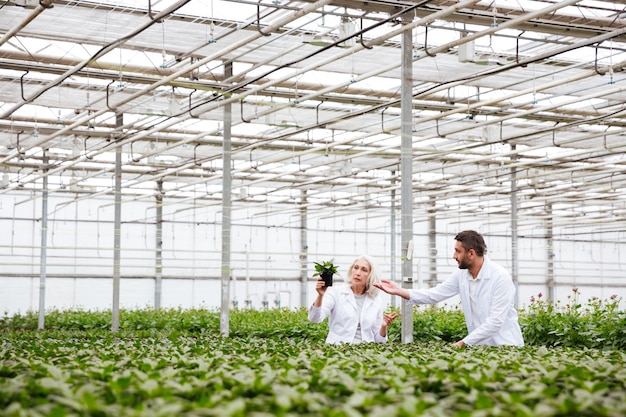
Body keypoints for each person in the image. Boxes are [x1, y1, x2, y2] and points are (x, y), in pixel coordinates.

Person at [374, 230, 524, 347]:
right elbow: (435, 294)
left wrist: (463, 343)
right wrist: (399, 291)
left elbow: (495, 321)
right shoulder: (461, 275)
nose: (454, 256)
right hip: (481, 347)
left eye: (458, 251)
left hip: (506, 345)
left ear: (471, 253)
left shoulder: (500, 277)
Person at [308, 255, 399, 344]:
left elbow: (379, 341)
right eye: (356, 268)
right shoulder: (336, 292)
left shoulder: (376, 301)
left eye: (364, 270)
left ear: (371, 275)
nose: (358, 273)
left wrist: (383, 326)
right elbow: (314, 318)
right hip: (337, 352)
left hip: (366, 353)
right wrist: (320, 296)